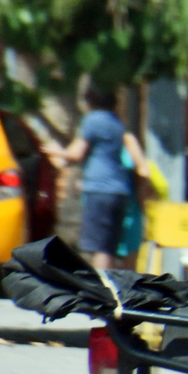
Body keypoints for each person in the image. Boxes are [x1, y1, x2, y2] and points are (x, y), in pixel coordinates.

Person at [47, 87, 145, 271]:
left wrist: (53, 151)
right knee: (109, 245)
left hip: (99, 189)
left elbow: (76, 154)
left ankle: (101, 285)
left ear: (90, 102)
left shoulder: (92, 120)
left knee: (98, 245)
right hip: (120, 190)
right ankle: (109, 286)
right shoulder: (117, 123)